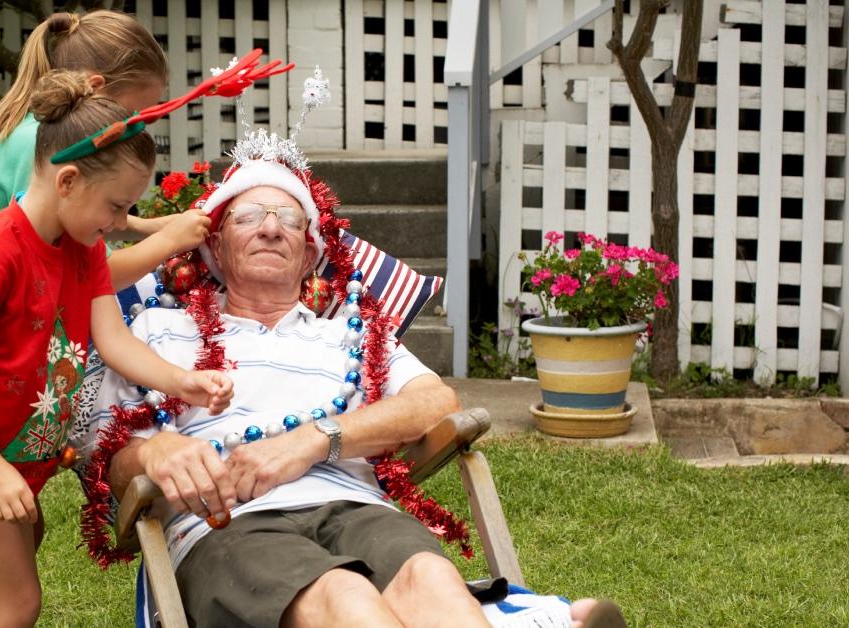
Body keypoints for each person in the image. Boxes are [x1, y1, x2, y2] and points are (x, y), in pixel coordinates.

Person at [82, 133, 627, 628]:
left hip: (356, 506)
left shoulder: (350, 332)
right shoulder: (156, 330)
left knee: (430, 582)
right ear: (216, 248)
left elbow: (436, 401)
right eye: (249, 217)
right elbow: (105, 455)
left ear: (310, 255)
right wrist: (156, 454)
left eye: (290, 220)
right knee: (343, 597)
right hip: (226, 523)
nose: (271, 227)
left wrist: (316, 439)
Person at [0, 71, 234, 626]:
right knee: (16, 604)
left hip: (15, 457)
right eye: (117, 208)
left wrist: (179, 380)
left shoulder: (82, 247)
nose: (123, 224)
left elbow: (113, 339)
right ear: (68, 182)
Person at [0, 9, 210, 395]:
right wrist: (168, 242)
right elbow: (91, 274)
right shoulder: (44, 150)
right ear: (97, 87)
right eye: (133, 115)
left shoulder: (36, 131)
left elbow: (81, 224)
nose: (136, 128)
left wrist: (149, 226)